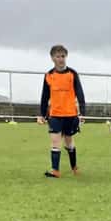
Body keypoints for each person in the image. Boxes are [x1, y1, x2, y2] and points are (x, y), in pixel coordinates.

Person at [38, 44, 85, 178]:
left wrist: (82, 113)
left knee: (69, 141)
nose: (61, 59)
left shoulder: (72, 74)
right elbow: (44, 96)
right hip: (55, 114)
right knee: (55, 141)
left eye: (63, 56)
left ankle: (74, 167)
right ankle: (55, 170)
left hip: (71, 114)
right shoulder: (49, 75)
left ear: (66, 57)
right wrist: (42, 114)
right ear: (52, 58)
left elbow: (80, 94)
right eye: (58, 56)